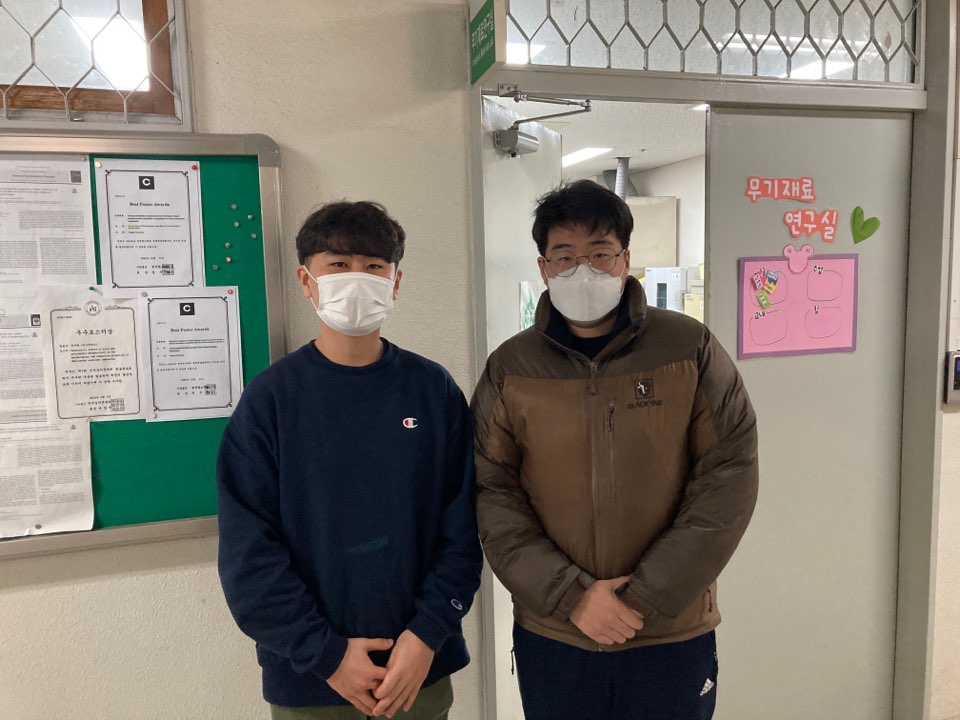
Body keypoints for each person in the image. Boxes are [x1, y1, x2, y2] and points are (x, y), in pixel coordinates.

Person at [471, 180, 759, 720]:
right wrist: (572, 596)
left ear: (626, 259)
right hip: (557, 632)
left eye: (600, 253)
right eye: (565, 257)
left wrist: (643, 599)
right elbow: (492, 491)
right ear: (544, 269)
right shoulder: (510, 368)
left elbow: (728, 478)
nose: (583, 270)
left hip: (668, 631)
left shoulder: (689, 348)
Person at [217, 200, 483, 720]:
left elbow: (463, 530)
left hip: (418, 671)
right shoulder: (271, 400)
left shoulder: (433, 391)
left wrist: (428, 633)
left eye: (374, 266)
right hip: (311, 678)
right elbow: (248, 552)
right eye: (338, 265)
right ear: (306, 280)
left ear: (395, 282)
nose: (357, 278)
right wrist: (327, 654)